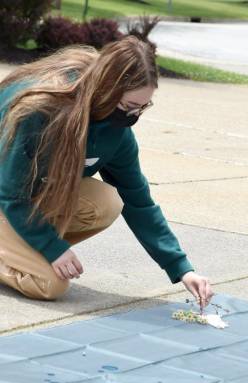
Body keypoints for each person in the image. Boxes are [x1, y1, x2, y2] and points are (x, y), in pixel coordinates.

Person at [0, 35, 214, 311]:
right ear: (106, 88)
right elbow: (11, 193)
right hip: (8, 195)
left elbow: (139, 201)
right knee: (50, 284)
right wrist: (52, 248)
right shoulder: (41, 110)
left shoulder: (117, 134)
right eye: (127, 107)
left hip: (19, 199)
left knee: (105, 203)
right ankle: (19, 251)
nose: (133, 116)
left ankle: (19, 247)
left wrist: (182, 268)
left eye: (142, 107)